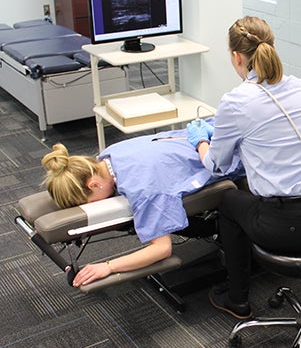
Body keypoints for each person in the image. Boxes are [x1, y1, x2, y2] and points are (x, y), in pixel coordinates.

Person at [186, 16, 301, 320]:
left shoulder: (236, 102)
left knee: (229, 201)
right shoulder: (298, 86)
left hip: (289, 227)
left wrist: (201, 141)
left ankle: (238, 298)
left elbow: (217, 166)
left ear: (236, 57)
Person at [40, 123, 244, 288]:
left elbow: (162, 249)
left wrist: (108, 266)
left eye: (87, 202)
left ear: (94, 184)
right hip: (219, 129)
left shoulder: (143, 191)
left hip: (239, 154)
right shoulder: (109, 154)